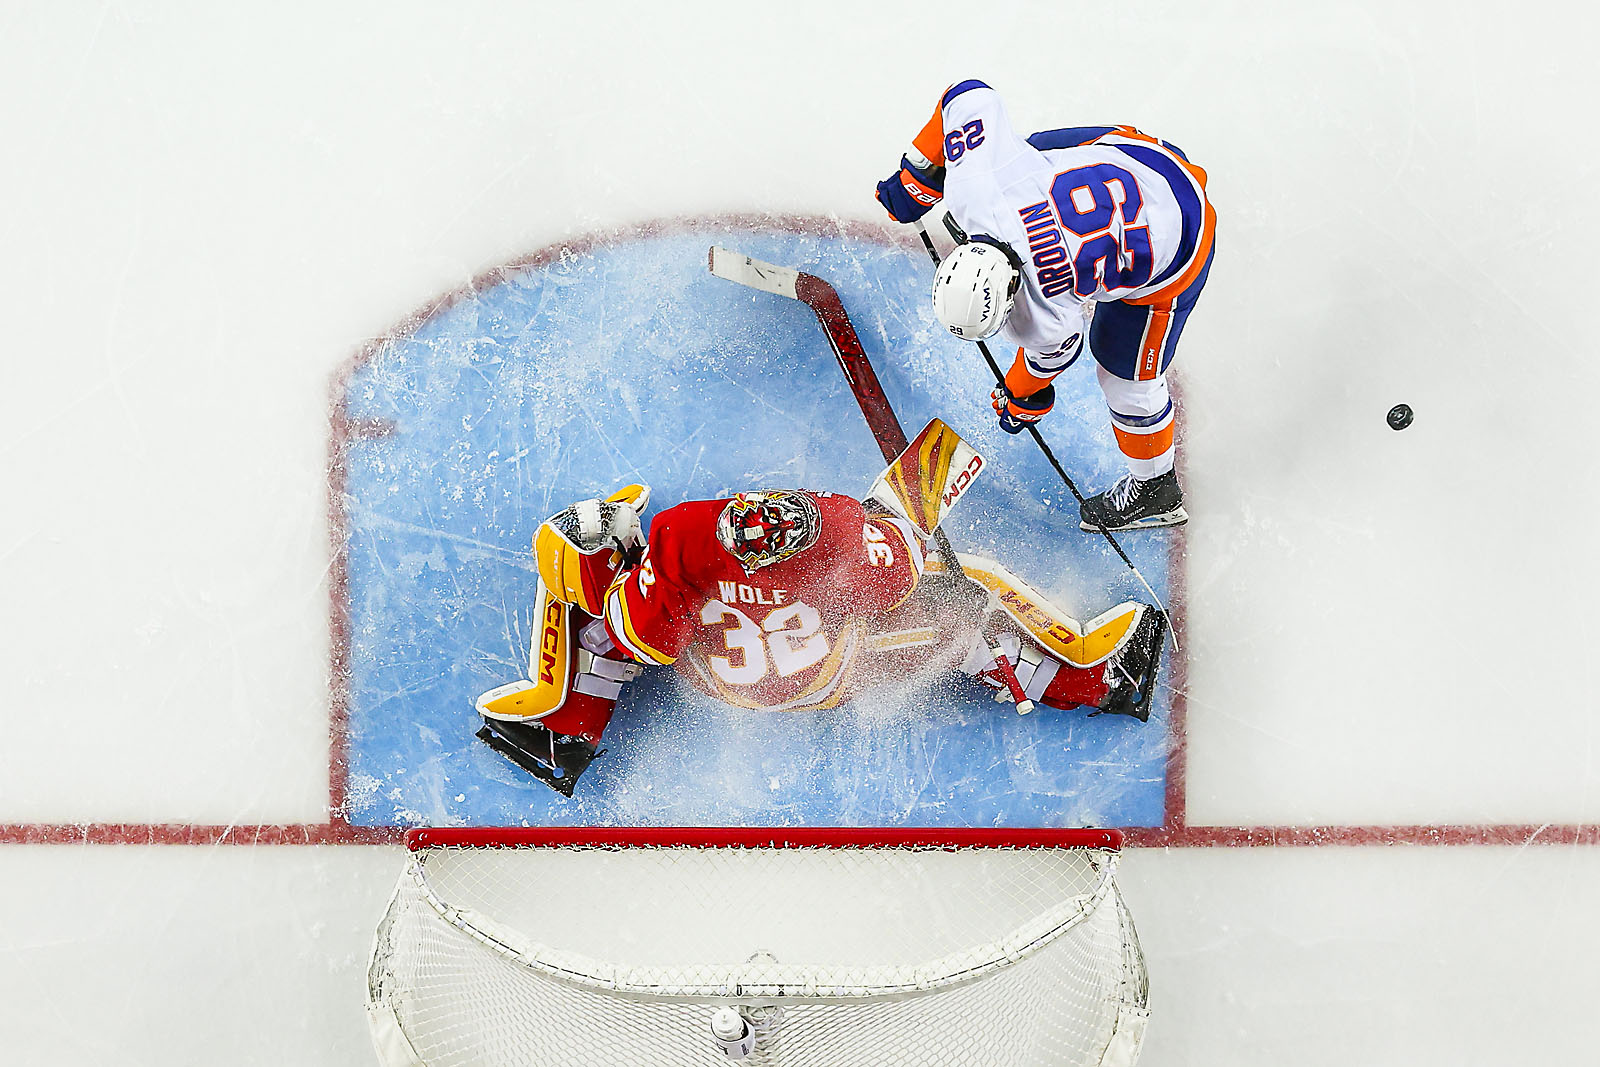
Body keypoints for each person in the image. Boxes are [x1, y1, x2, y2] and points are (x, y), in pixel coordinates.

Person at [474, 484, 1164, 794]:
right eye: (611, 526)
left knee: (596, 639)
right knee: (970, 598)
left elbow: (627, 630)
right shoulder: (681, 536)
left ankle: (560, 735)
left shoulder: (628, 616)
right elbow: (888, 577)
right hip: (831, 667)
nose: (624, 518)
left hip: (731, 682)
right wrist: (853, 525)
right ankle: (1094, 679)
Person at [875, 79, 1216, 532]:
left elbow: (1052, 357)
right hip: (1148, 158)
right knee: (1025, 155)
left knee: (1125, 374)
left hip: (1183, 234)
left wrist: (1021, 397)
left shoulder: (1043, 317)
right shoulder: (974, 190)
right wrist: (916, 176)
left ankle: (1156, 490)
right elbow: (969, 95)